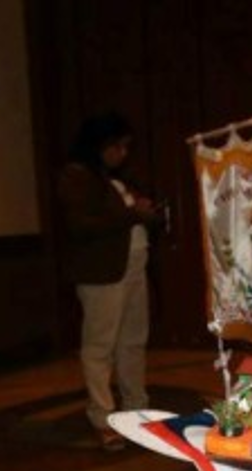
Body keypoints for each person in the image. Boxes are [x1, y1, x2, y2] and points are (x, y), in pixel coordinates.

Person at [57, 112, 161, 451]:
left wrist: (143, 211)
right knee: (99, 347)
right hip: (101, 274)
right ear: (99, 145)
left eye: (126, 147)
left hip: (131, 269)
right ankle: (103, 417)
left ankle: (137, 410)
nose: (122, 154)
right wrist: (133, 214)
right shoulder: (76, 175)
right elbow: (81, 225)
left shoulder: (113, 179)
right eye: (117, 146)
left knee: (132, 342)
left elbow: (117, 217)